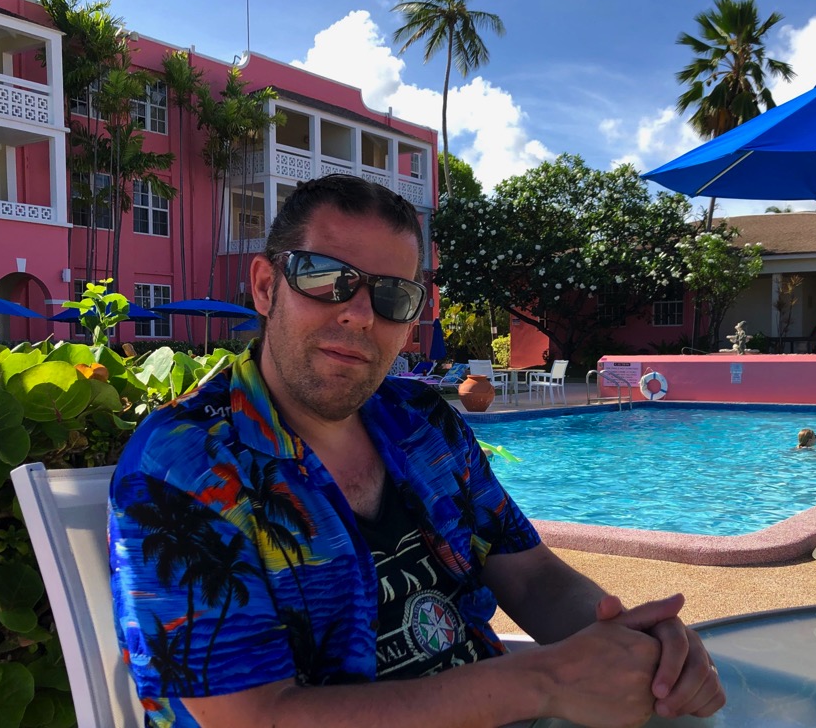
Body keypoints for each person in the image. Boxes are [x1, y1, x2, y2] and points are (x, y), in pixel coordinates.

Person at [108, 175, 725, 728]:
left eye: (391, 297)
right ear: (267, 287)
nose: (357, 315)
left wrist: (640, 647)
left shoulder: (420, 423)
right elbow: (252, 719)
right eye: (325, 277)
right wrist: (541, 681)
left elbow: (531, 574)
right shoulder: (187, 463)